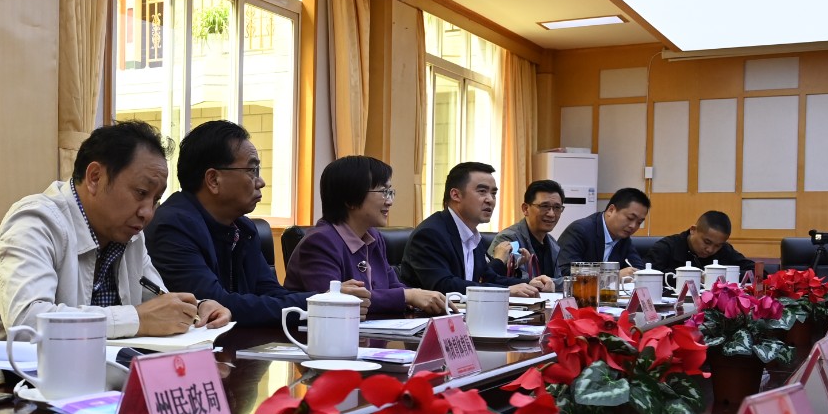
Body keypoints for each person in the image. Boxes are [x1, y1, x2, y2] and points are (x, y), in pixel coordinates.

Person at [0, 120, 231, 342]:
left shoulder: (130, 235)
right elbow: (27, 323)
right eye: (141, 192)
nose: (148, 212)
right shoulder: (35, 221)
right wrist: (137, 318)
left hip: (85, 377)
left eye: (156, 200)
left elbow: (158, 302)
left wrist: (196, 310)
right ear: (95, 177)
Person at [146, 120, 354, 324]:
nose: (261, 182)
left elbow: (271, 293)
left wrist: (323, 300)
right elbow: (217, 305)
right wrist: (320, 303)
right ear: (213, 180)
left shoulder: (243, 228)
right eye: (252, 170)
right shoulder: (173, 227)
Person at [286, 155, 447, 317]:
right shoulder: (319, 242)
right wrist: (407, 296)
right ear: (350, 199)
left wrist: (419, 296)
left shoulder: (373, 236)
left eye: (390, 192)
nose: (389, 201)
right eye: (383, 192)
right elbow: (333, 302)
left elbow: (393, 285)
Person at [396, 161, 549, 296]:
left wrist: (530, 284)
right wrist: (505, 291)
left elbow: (487, 277)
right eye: (482, 191)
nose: (490, 200)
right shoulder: (430, 234)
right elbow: (444, 286)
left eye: (493, 193)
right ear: (456, 195)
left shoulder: (472, 235)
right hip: (425, 318)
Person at [556, 186, 650, 277]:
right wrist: (613, 275)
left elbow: (638, 269)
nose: (633, 226)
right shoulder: (580, 230)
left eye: (639, 222)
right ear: (611, 210)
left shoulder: (624, 239)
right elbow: (564, 271)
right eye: (630, 218)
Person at [487, 179, 565, 284]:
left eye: (557, 207)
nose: (551, 214)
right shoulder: (508, 239)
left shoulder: (553, 243)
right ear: (525, 209)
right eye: (544, 206)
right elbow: (492, 280)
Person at [642, 210, 754, 274]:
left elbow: (755, 271)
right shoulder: (666, 247)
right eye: (706, 242)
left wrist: (722, 275)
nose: (710, 249)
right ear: (693, 230)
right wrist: (691, 276)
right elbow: (646, 274)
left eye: (717, 245)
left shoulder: (725, 250)